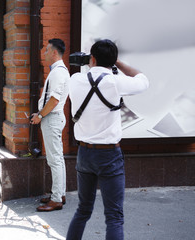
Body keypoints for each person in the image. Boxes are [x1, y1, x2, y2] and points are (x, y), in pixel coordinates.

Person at [66, 39, 149, 240]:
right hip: (109, 155)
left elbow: (88, 77)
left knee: (83, 210)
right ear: (112, 61)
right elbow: (143, 80)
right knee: (114, 216)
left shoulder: (75, 80)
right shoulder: (115, 82)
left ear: (91, 58)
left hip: (84, 154)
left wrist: (92, 64)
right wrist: (117, 64)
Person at [31, 38, 70, 212]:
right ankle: (59, 194)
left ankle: (56, 200)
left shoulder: (58, 72)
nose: (44, 53)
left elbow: (53, 100)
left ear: (54, 52)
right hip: (52, 117)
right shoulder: (58, 71)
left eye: (47, 50)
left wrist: (39, 115)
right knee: (57, 159)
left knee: (54, 160)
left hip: (52, 118)